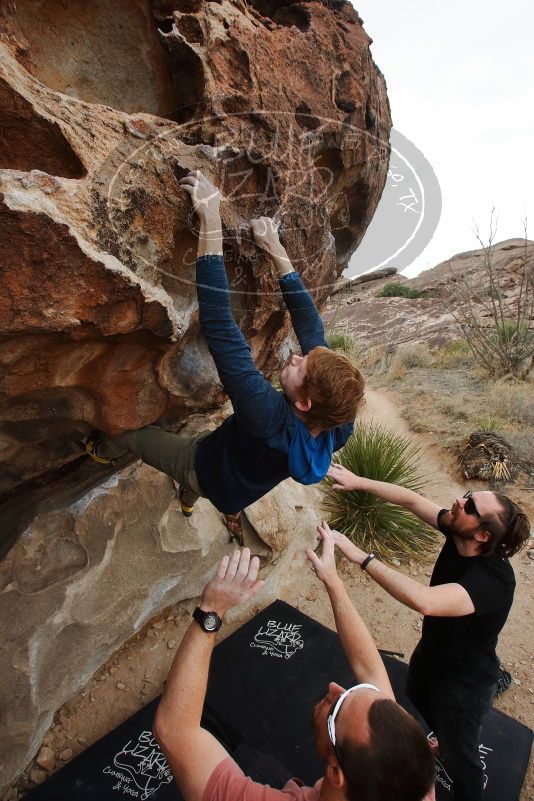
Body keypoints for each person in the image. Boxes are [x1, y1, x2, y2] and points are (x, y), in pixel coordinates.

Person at [86, 172, 363, 537]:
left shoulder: (267, 417)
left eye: (301, 368)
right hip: (237, 490)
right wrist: (276, 251)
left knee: (134, 437)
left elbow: (219, 324)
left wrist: (211, 219)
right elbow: (313, 330)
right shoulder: (338, 424)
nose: (295, 358)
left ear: (306, 404)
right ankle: (188, 499)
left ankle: (100, 450)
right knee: (204, 484)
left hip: (202, 467)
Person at [153, 527, 436, 801]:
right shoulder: (407, 778)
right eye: (350, 691)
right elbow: (371, 669)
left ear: (336, 772)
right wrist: (332, 580)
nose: (335, 688)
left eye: (337, 707)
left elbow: (176, 731)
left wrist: (211, 611)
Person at [327, 463, 531, 801]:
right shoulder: (458, 532)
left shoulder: (492, 581)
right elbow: (410, 500)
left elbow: (426, 601)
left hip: (462, 686)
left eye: (469, 506)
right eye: (467, 496)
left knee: (463, 761)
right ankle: (441, 740)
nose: (458, 502)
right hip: (431, 658)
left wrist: (360, 556)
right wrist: (357, 481)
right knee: (419, 702)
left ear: (483, 534)